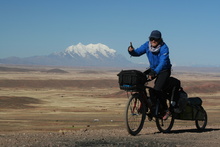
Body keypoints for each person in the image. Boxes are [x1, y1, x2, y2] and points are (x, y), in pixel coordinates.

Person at [128, 30, 172, 120]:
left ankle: (166, 110)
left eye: (155, 39)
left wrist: (155, 72)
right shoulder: (147, 45)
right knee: (139, 80)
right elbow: (137, 52)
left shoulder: (164, 48)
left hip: (164, 70)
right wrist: (131, 51)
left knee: (156, 90)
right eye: (151, 39)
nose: (153, 41)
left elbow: (163, 62)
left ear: (160, 40)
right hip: (153, 68)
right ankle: (147, 104)